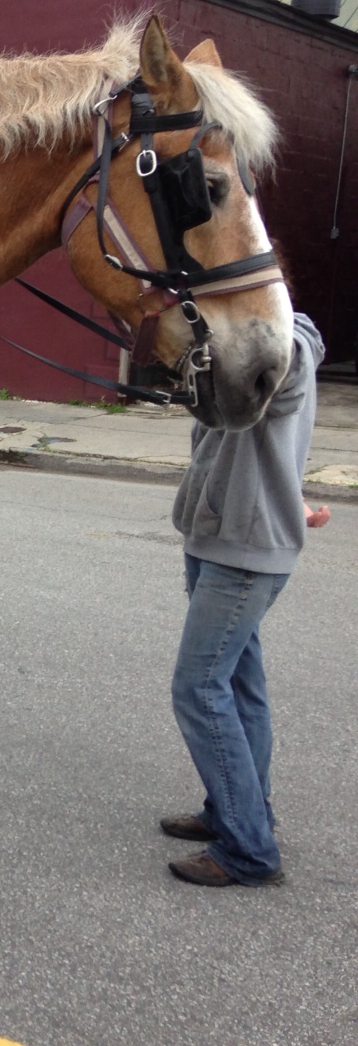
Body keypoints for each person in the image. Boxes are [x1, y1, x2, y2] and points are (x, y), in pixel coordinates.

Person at [163, 309, 329, 888]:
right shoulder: (235, 345)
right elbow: (259, 447)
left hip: (244, 552)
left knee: (198, 687)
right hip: (219, 539)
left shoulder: (285, 350)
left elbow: (278, 386)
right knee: (238, 686)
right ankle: (234, 811)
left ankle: (249, 850)